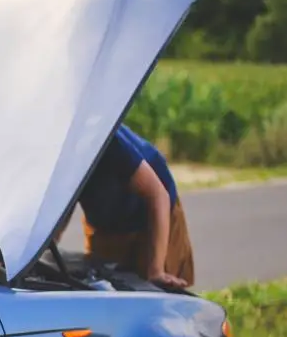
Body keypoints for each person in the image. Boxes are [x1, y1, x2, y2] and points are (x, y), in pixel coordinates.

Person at [70, 124, 194, 289]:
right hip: (105, 223)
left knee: (154, 288)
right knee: (101, 285)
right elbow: (60, 204)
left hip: (153, 213)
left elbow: (158, 195)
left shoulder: (107, 141)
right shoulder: (53, 152)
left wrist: (156, 270)